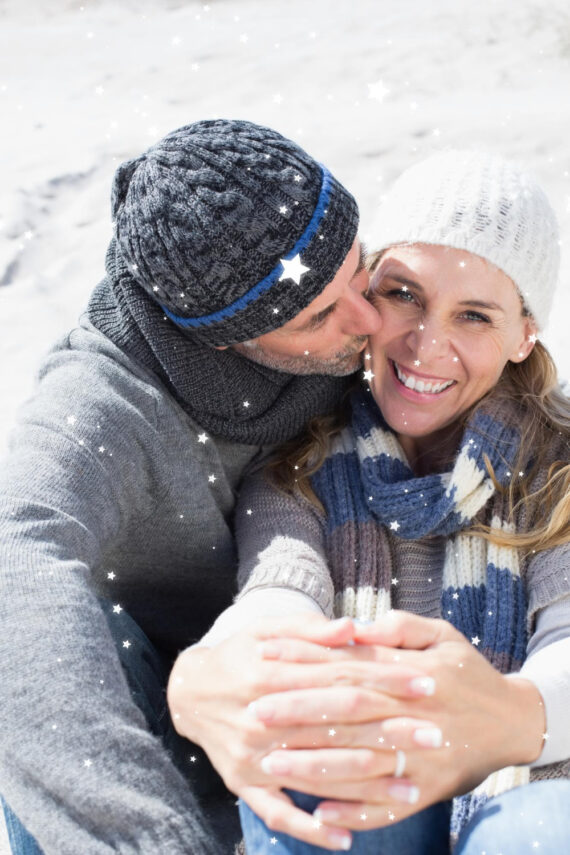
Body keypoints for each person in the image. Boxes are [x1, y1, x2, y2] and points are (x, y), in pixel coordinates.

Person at [0, 118, 385, 854]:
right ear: (220, 337)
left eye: (359, 267)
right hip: (157, 721)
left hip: (321, 666)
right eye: (319, 313)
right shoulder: (99, 400)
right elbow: (14, 554)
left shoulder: (353, 297)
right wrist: (142, 836)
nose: (369, 321)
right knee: (40, 647)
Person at [190, 150, 570, 853]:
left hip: (537, 790)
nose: (426, 345)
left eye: (475, 316)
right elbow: (278, 595)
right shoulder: (299, 462)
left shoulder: (559, 469)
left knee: (537, 830)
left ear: (525, 335)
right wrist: (234, 662)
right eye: (404, 295)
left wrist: (502, 714)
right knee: (322, 767)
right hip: (380, 791)